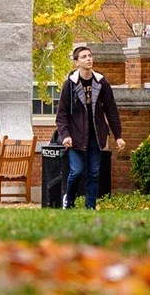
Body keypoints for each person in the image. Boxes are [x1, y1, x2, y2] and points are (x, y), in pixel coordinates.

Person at [54, 45, 125, 210]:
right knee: (77, 171)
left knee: (94, 172)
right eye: (84, 57)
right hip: (75, 136)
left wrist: (118, 135)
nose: (88, 59)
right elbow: (61, 115)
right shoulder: (69, 85)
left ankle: (90, 207)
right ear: (76, 63)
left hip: (96, 135)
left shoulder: (101, 82)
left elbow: (111, 110)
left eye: (90, 56)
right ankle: (69, 199)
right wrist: (65, 135)